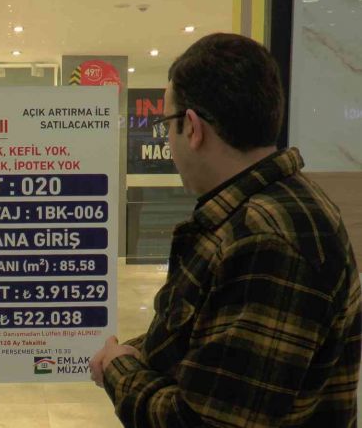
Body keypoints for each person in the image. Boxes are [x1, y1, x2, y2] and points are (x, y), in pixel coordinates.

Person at [90, 33, 360, 427]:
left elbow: (201, 420)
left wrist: (119, 370)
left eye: (167, 124)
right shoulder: (269, 210)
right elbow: (204, 341)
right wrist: (138, 353)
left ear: (192, 128)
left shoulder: (266, 239)